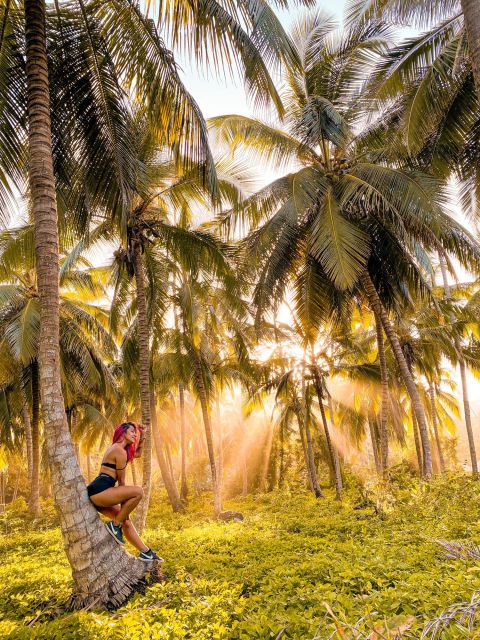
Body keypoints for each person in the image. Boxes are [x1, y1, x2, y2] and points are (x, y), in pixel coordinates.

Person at [86, 421, 162, 562]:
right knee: (138, 492)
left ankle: (146, 552)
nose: (135, 434)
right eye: (132, 431)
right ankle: (114, 525)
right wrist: (124, 506)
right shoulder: (118, 451)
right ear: (123, 432)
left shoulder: (120, 449)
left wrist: (143, 435)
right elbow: (121, 483)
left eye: (135, 432)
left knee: (126, 521)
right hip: (100, 490)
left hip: (100, 494)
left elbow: (138, 453)